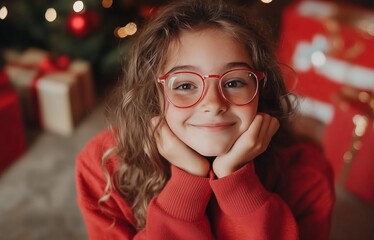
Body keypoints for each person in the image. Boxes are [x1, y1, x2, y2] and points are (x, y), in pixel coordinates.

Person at [75, 0, 335, 239]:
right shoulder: (103, 165)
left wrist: (238, 186)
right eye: (185, 85)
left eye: (233, 82)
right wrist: (186, 186)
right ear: (153, 93)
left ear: (260, 89)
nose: (213, 104)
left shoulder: (308, 172)